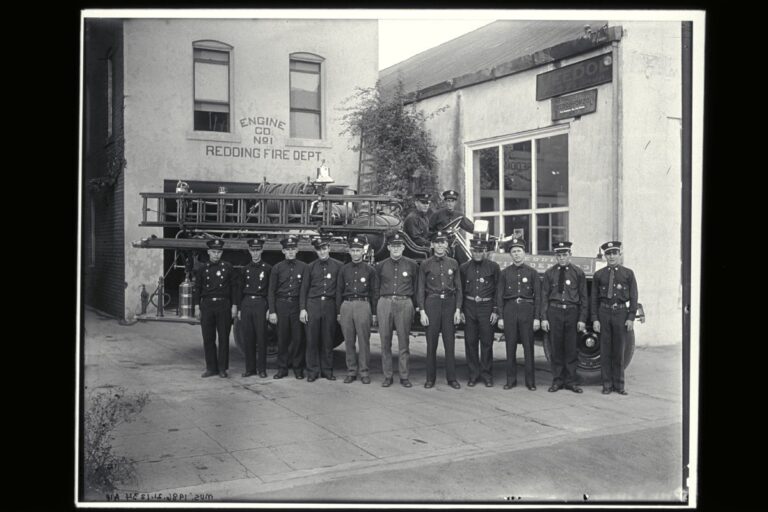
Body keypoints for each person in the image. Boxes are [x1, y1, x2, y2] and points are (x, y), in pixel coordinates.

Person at [590, 241, 639, 395]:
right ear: (605, 256)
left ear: (619, 255)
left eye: (614, 253)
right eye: (608, 254)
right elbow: (594, 300)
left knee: (619, 350)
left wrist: (631, 317)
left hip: (621, 314)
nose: (611, 257)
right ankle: (607, 385)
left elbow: (634, 296)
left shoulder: (628, 273)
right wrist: (595, 319)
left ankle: (619, 385)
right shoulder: (599, 275)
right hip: (604, 313)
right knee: (605, 351)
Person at [417, 230, 463, 389]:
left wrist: (458, 309)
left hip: (449, 304)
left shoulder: (453, 263)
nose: (440, 245)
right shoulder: (425, 264)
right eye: (437, 242)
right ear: (432, 245)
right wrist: (422, 311)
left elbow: (459, 288)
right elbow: (420, 289)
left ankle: (452, 378)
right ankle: (430, 378)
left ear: (447, 244)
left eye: (443, 242)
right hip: (432, 304)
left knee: (449, 343)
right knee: (432, 344)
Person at [374, 233, 419, 388]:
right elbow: (375, 288)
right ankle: (388, 376)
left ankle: (404, 376)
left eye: (399, 246)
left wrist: (416, 306)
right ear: (388, 247)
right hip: (385, 302)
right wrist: (375, 309)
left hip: (404, 302)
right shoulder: (380, 265)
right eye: (393, 246)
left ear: (403, 247)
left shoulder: (412, 265)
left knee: (403, 341)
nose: (396, 249)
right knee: (385, 341)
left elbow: (416, 286)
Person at [541, 241, 587, 393]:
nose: (561, 258)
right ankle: (557, 381)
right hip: (554, 312)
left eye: (564, 255)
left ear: (570, 255)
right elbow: (544, 297)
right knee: (556, 348)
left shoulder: (578, 273)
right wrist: (544, 318)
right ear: (555, 256)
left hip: (572, 312)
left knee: (571, 348)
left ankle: (571, 382)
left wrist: (581, 319)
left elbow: (583, 298)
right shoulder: (549, 273)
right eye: (559, 255)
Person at [496, 238, 540, 390]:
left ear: (524, 253)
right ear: (510, 255)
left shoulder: (532, 273)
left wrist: (537, 318)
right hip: (510, 310)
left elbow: (538, 297)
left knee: (528, 347)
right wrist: (501, 317)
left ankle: (530, 381)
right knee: (510, 346)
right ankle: (511, 380)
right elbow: (499, 297)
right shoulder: (504, 273)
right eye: (513, 252)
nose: (516, 254)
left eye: (519, 251)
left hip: (527, 310)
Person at [300, 235, 343, 382]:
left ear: (329, 248)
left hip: (329, 306)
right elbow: (304, 289)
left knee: (328, 339)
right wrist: (303, 309)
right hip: (313, 305)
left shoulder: (338, 266)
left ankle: (327, 370)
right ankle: (312, 371)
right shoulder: (310, 267)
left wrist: (338, 311)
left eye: (324, 249)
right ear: (316, 251)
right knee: (311, 340)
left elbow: (339, 291)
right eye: (319, 250)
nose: (322, 252)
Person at [193, 238, 238, 378]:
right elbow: (197, 289)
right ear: (208, 252)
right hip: (207, 305)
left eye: (218, 252)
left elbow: (234, 288)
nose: (216, 255)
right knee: (208, 337)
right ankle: (211, 368)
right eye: (213, 252)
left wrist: (234, 306)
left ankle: (222, 368)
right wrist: (196, 307)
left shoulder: (228, 267)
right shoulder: (202, 269)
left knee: (223, 338)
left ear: (221, 252)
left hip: (223, 305)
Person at [337, 235, 378, 384]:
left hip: (363, 305)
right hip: (347, 305)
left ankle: (364, 372)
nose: (355, 253)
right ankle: (351, 371)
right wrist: (338, 311)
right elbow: (338, 291)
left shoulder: (370, 270)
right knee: (349, 341)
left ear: (363, 252)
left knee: (363, 341)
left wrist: (373, 313)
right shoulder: (344, 269)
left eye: (358, 250)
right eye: (353, 250)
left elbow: (374, 292)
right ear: (349, 251)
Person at [460, 238, 500, 387]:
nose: (477, 253)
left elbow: (498, 290)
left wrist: (495, 310)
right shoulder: (464, 268)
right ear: (471, 251)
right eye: (475, 250)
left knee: (486, 343)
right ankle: (473, 374)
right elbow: (461, 291)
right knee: (470, 342)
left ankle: (486, 375)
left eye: (480, 251)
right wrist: (462, 310)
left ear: (485, 251)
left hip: (486, 307)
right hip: (469, 307)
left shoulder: (493, 267)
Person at [268, 236, 307, 380]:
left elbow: (304, 289)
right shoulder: (277, 268)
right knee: (282, 339)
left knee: (298, 338)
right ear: (283, 251)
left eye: (293, 249)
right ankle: (282, 368)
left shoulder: (303, 267)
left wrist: (303, 308)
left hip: (296, 305)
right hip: (282, 305)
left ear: (297, 250)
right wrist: (272, 311)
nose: (290, 252)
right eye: (287, 249)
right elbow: (271, 291)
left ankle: (298, 368)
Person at [236, 237, 271, 378]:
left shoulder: (268, 269)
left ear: (262, 250)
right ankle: (250, 369)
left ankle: (262, 369)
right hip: (246, 304)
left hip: (261, 304)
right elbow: (239, 290)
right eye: (253, 250)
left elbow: (270, 290)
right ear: (249, 251)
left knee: (261, 338)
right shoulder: (245, 269)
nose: (255, 253)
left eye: (257, 250)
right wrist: (239, 309)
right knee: (248, 337)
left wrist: (270, 308)